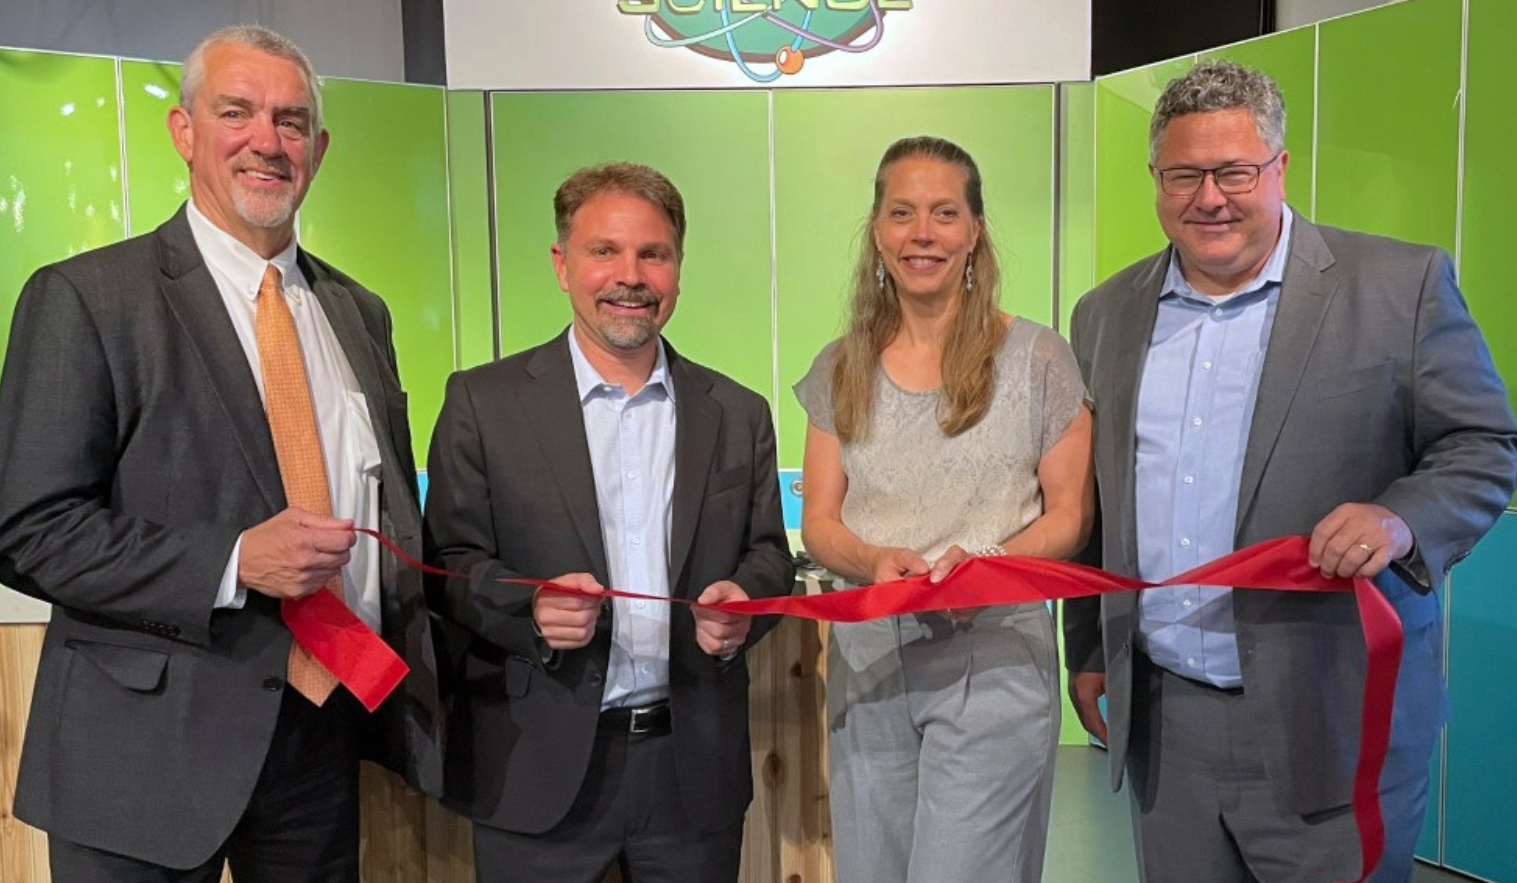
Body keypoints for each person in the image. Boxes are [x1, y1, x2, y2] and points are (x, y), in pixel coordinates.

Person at [0, 23, 441, 883]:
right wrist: (236, 559)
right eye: (236, 112)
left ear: (319, 146)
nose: (266, 142)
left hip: (319, 740)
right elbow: (29, 527)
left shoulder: (361, 313)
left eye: (291, 120)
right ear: (184, 130)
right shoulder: (85, 299)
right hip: (140, 758)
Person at [1063, 60, 1517, 883]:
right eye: (1183, 174)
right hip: (1166, 726)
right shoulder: (1103, 313)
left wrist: (1398, 517)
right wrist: (1088, 649)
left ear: (1277, 167)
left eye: (1234, 171)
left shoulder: (1399, 286)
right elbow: (1099, 506)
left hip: (1334, 723)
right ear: (1156, 180)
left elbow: (1483, 445)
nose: (1209, 197)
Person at [423, 161, 795, 883]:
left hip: (691, 775)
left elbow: (767, 554)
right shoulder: (483, 403)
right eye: (605, 252)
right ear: (563, 266)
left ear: (677, 270)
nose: (630, 275)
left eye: (652, 254)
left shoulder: (738, 412)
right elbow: (449, 563)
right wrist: (526, 607)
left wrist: (747, 603)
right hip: (533, 770)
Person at [794, 135, 1094, 883]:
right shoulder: (837, 367)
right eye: (901, 213)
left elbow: (1068, 516)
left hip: (992, 658)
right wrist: (869, 561)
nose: (920, 233)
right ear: (876, 231)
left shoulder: (1038, 358)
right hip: (871, 663)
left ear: (974, 232)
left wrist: (988, 569)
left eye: (942, 213)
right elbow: (821, 521)